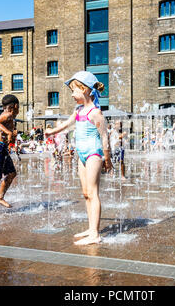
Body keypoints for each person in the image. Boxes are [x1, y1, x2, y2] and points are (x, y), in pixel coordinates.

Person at [45, 71, 112, 245]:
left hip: (93, 154)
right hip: (81, 154)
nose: (73, 95)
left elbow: (104, 136)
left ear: (86, 90)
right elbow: (67, 124)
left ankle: (95, 235)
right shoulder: (79, 110)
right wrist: (52, 131)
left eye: (75, 90)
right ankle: (91, 228)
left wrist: (107, 159)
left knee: (93, 192)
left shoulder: (95, 112)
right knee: (85, 193)